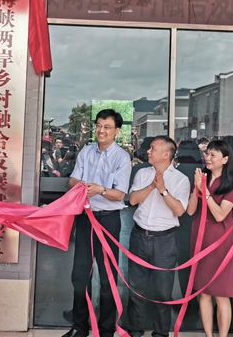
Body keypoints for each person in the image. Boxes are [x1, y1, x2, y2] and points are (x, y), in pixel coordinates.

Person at [62, 109, 131, 337]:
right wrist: (82, 185)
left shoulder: (122, 158)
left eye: (107, 127)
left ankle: (106, 330)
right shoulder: (87, 151)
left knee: (107, 276)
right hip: (85, 219)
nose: (101, 130)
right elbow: (72, 180)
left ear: (117, 131)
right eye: (99, 125)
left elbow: (119, 195)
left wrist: (100, 190)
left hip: (108, 221)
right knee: (80, 275)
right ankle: (80, 327)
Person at [126, 136, 190, 337]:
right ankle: (134, 332)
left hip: (165, 241)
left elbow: (179, 210)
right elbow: (133, 200)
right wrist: (152, 186)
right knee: (135, 289)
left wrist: (162, 190)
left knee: (163, 293)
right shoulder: (142, 173)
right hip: (139, 236)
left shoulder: (181, 179)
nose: (148, 151)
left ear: (166, 154)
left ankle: (161, 334)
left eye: (153, 148)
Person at [186, 139, 233, 337]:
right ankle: (209, 335)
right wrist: (197, 188)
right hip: (201, 239)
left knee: (221, 294)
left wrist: (205, 192)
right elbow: (191, 210)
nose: (207, 158)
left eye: (213, 155)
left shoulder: (232, 183)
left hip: (221, 242)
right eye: (207, 154)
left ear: (225, 159)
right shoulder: (202, 178)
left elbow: (220, 215)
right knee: (204, 292)